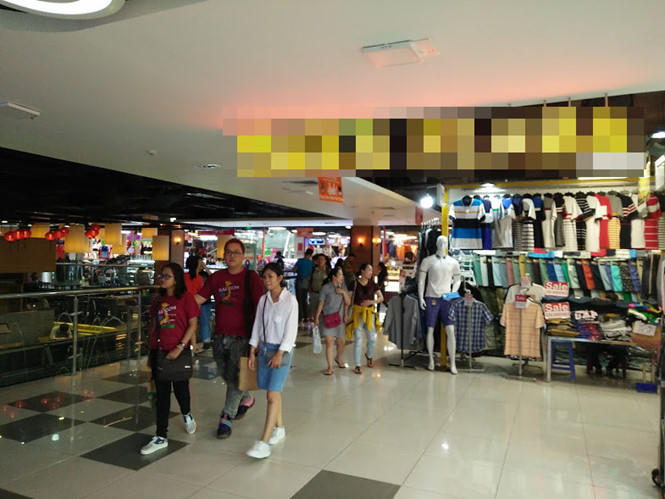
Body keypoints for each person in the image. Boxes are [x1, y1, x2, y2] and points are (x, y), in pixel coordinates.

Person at [194, 238, 264, 439]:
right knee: (226, 373)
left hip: (243, 336)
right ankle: (247, 398)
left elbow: (261, 307)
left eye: (236, 252)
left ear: (243, 256)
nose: (231, 256)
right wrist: (178, 301)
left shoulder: (251, 278)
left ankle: (226, 416)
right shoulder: (217, 278)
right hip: (220, 335)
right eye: (228, 252)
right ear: (223, 255)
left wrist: (259, 337)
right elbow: (199, 298)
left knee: (235, 377)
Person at [141, 263, 199, 455]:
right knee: (162, 395)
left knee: (181, 389)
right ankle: (161, 435)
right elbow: (153, 326)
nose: (162, 279)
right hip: (160, 351)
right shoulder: (158, 300)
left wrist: (181, 346)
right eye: (161, 275)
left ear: (176, 279)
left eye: (167, 276)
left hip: (179, 351)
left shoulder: (186, 298)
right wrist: (150, 352)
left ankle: (187, 413)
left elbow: (192, 324)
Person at [246, 263, 298, 459]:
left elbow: (291, 331)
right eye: (264, 276)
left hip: (281, 353)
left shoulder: (290, 301)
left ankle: (264, 442)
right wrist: (252, 350)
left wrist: (280, 353)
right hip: (265, 350)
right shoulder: (264, 300)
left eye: (271, 276)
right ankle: (280, 428)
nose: (266, 280)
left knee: (271, 395)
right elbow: (257, 326)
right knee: (273, 392)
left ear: (280, 278)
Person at [314, 266, 350, 375]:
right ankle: (330, 367)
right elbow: (321, 303)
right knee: (329, 343)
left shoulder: (343, 287)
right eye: (340, 274)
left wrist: (343, 292)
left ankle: (338, 357)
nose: (342, 277)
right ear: (334, 277)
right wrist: (316, 317)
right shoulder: (325, 288)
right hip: (327, 318)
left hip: (339, 318)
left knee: (341, 341)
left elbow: (347, 303)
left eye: (342, 274)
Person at [348, 263, 383, 374]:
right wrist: (345, 313)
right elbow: (348, 300)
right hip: (357, 313)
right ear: (362, 271)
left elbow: (381, 298)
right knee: (358, 339)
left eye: (371, 270)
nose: (370, 273)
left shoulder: (373, 284)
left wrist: (371, 302)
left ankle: (369, 355)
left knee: (372, 338)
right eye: (368, 270)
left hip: (369, 314)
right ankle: (357, 365)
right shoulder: (354, 284)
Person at [184, 255, 212, 353]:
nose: (202, 264)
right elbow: (200, 293)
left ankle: (192, 346)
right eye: (200, 263)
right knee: (195, 325)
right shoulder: (199, 278)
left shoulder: (185, 276)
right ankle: (194, 346)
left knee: (191, 325)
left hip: (187, 304)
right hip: (195, 305)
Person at [293, 248, 314, 324]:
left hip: (299, 282)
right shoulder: (311, 263)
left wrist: (299, 271)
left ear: (305, 253)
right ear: (311, 255)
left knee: (299, 300)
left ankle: (299, 316)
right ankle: (306, 316)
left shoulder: (300, 261)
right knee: (305, 299)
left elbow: (294, 270)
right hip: (307, 283)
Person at [308, 254, 327, 321]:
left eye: (322, 259)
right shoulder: (313, 269)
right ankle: (315, 324)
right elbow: (310, 279)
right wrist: (310, 289)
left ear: (325, 261)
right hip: (314, 293)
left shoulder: (328, 270)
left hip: (324, 295)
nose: (320, 261)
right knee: (314, 310)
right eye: (318, 259)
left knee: (323, 311)